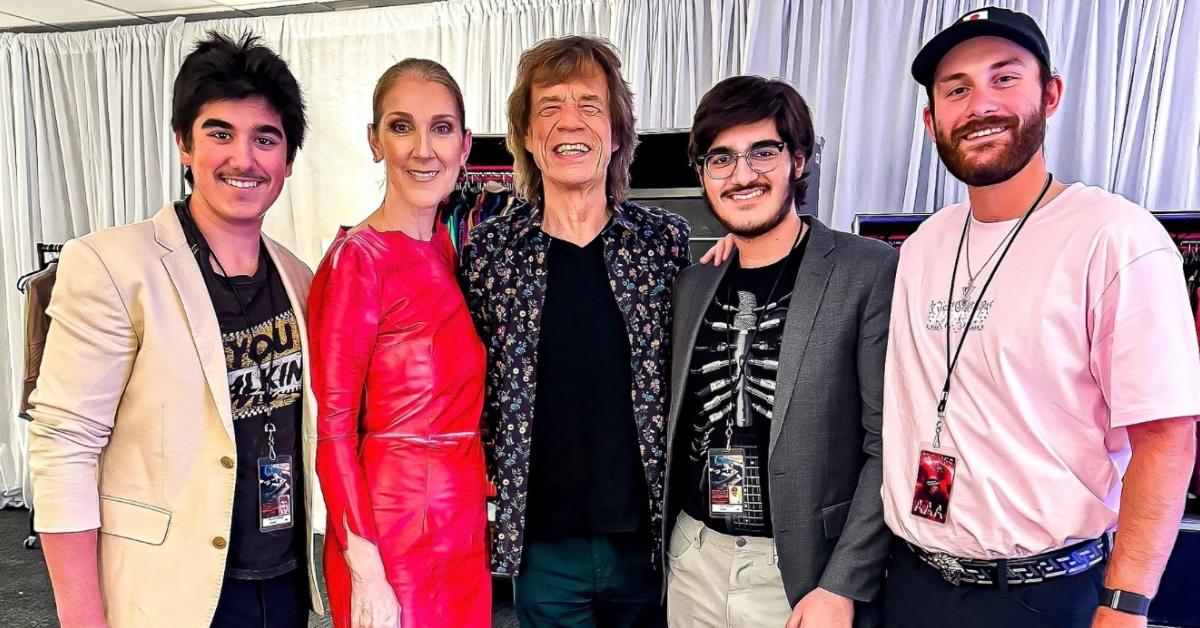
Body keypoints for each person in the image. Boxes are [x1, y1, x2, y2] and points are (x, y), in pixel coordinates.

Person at [882, 7, 1200, 628]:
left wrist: (1126, 607)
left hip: (1046, 595)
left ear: (1050, 94)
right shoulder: (924, 243)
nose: (980, 105)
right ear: (930, 120)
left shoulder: (1116, 238)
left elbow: (1166, 436)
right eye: (957, 89)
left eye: (1005, 79)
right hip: (914, 583)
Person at [28, 32, 322, 627]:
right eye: (220, 133)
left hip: (284, 581)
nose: (243, 159)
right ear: (184, 144)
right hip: (170, 594)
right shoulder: (112, 264)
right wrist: (82, 619)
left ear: (287, 161)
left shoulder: (299, 276)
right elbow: (64, 447)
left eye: (265, 139)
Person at [460, 35, 690, 627]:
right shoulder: (490, 253)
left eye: (590, 105)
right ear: (529, 138)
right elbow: (474, 384)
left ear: (616, 133)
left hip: (647, 540)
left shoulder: (663, 242)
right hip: (543, 544)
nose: (571, 123)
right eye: (550, 107)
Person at [666, 75, 894, 628]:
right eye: (721, 159)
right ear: (702, 175)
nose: (742, 175)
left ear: (797, 160)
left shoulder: (866, 272)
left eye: (761, 153)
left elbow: (888, 444)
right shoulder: (693, 285)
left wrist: (841, 584)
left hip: (797, 573)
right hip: (692, 558)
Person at [308, 58, 490, 628]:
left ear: (464, 145)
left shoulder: (447, 249)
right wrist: (365, 568)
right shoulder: (357, 260)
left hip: (462, 528)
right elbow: (333, 429)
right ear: (374, 141)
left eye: (440, 128)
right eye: (401, 126)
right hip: (392, 535)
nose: (423, 149)